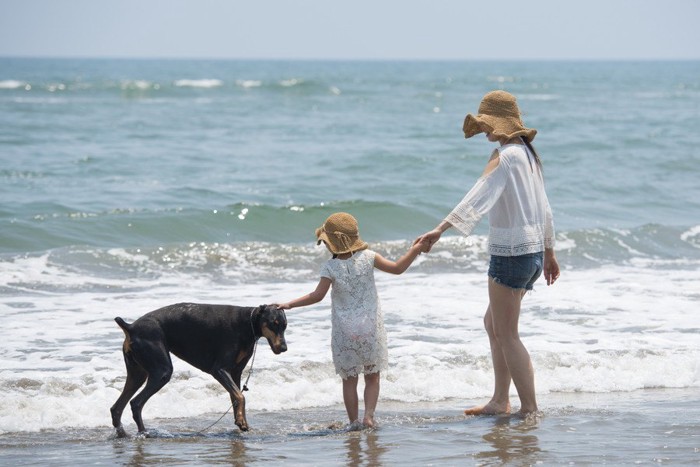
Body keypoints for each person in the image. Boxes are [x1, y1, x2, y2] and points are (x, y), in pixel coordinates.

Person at [415, 90, 560, 416]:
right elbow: (546, 210)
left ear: (500, 123)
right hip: (532, 253)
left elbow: (477, 197)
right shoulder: (528, 156)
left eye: (487, 126)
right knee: (493, 324)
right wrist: (549, 253)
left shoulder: (506, 155)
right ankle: (500, 400)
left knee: (507, 334)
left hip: (512, 255)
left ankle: (529, 409)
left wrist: (440, 229)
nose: (485, 133)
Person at [276, 212, 428, 428]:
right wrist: (416, 249)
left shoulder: (329, 267)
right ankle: (369, 417)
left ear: (333, 243)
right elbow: (397, 268)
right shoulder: (369, 257)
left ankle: (353, 422)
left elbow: (317, 296)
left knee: (349, 379)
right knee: (372, 376)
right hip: (370, 328)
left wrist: (289, 304)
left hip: (344, 331)